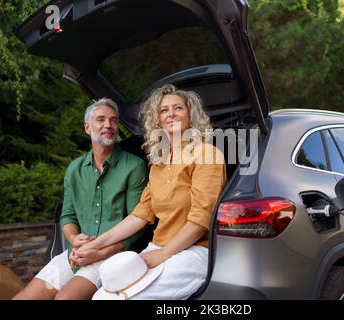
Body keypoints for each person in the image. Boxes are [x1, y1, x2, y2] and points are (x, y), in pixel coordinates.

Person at [77, 84, 227, 300]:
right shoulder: (159, 163)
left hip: (194, 251)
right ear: (157, 120)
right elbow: (140, 215)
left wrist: (163, 255)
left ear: (191, 115)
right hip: (157, 247)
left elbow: (201, 219)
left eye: (178, 108)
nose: (170, 114)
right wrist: (96, 243)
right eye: (164, 110)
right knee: (101, 297)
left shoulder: (206, 155)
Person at [13, 98, 148, 300]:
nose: (108, 125)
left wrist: (100, 252)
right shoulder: (74, 169)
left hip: (113, 255)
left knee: (65, 299)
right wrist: (74, 239)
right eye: (100, 119)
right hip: (75, 253)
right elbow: (67, 216)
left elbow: (138, 224)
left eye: (113, 120)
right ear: (87, 127)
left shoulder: (134, 167)